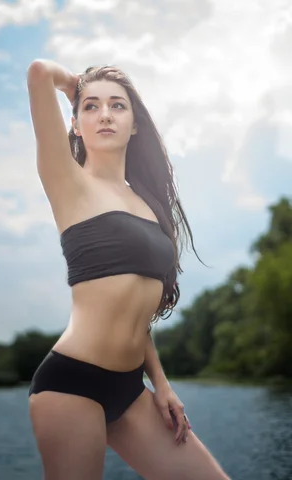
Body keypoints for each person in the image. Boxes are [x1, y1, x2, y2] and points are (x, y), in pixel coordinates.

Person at [27, 60, 230, 480]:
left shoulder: (147, 204)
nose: (105, 114)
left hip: (132, 388)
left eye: (117, 106)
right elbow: (38, 72)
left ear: (134, 124)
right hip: (71, 384)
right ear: (76, 123)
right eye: (92, 107)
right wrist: (74, 87)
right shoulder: (68, 181)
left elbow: (135, 308)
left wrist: (162, 384)